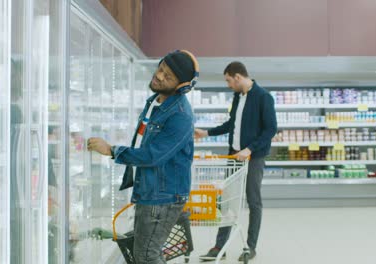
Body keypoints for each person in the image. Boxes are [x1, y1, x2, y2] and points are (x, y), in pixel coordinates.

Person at [87, 50, 198, 264]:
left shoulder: (180, 115)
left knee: (147, 256)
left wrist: (111, 150)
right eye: (161, 69)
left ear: (181, 86)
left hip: (162, 197)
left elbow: (153, 156)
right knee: (144, 253)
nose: (159, 76)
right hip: (151, 190)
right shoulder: (156, 102)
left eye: (168, 77)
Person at [195, 61, 277, 261]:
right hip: (234, 156)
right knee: (227, 201)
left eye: (228, 80)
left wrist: (249, 149)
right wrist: (206, 133)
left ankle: (250, 247)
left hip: (254, 157)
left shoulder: (263, 97)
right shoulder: (237, 97)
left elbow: (270, 129)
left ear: (238, 77)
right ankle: (219, 247)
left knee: (253, 201)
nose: (228, 85)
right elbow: (231, 125)